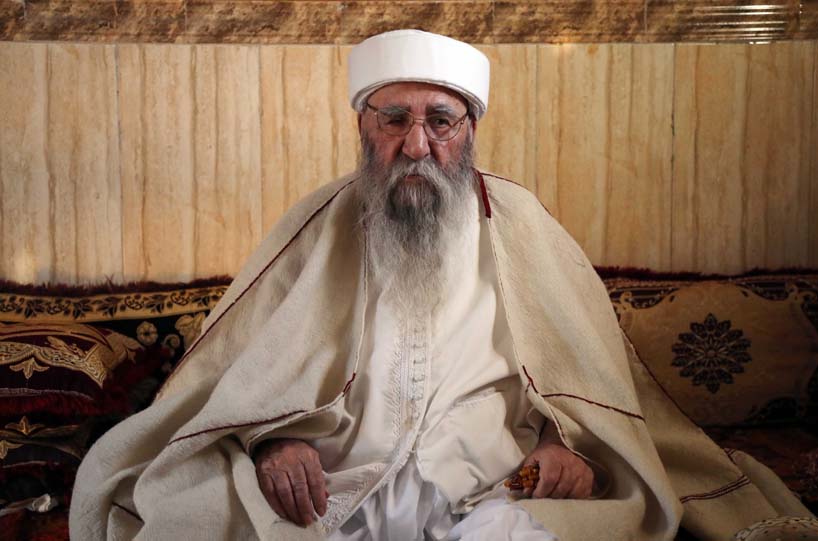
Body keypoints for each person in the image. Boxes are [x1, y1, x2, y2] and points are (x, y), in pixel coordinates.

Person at [70, 30, 815, 541]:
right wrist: (273, 441)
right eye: (394, 119)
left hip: (498, 482)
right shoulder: (318, 223)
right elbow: (239, 375)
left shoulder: (521, 223)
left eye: (441, 121)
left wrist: (564, 445)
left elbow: (585, 377)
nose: (417, 144)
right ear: (363, 127)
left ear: (470, 129)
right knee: (192, 509)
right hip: (338, 483)